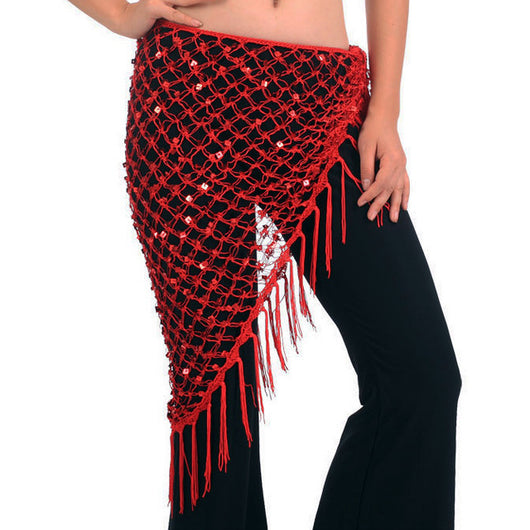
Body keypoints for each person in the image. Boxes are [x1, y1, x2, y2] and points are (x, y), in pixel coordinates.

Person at [68, 1, 462, 529]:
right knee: (219, 406)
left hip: (324, 104)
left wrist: (385, 109)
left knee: (421, 377)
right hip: (191, 96)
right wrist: (120, 14)